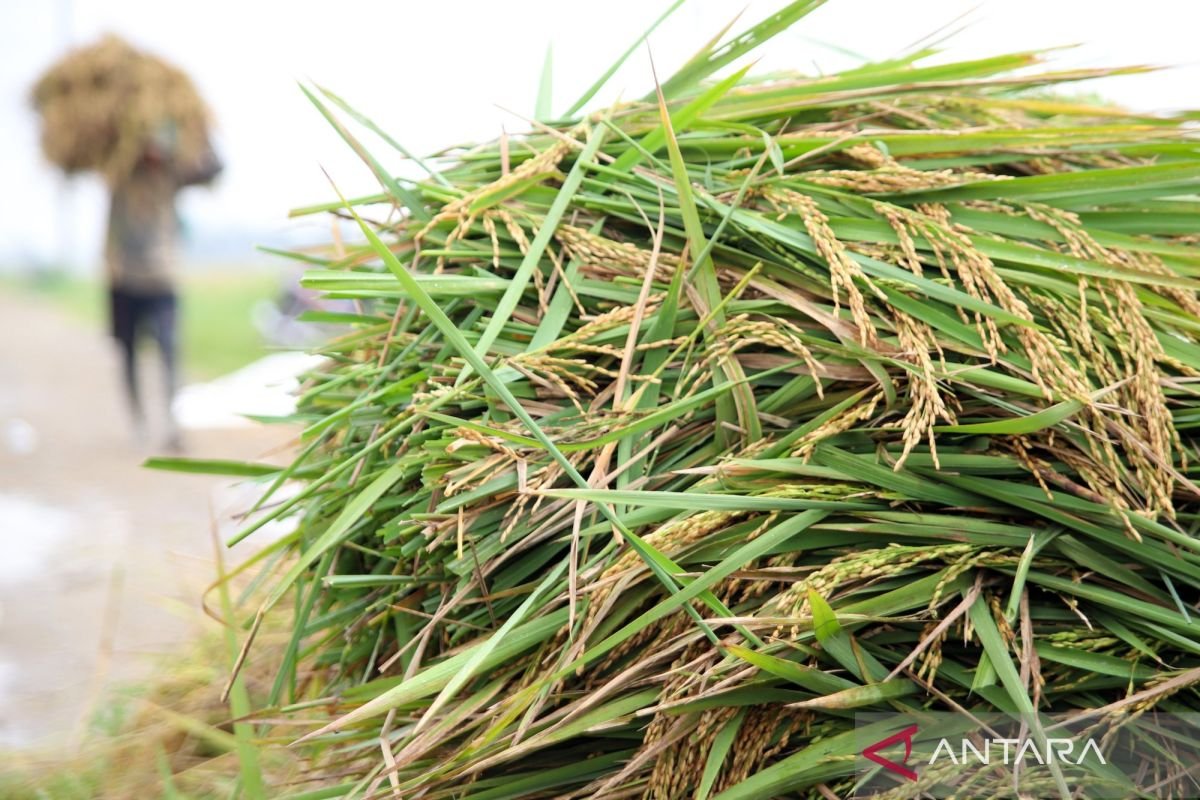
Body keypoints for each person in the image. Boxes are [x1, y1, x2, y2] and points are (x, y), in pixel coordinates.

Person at [105, 122, 221, 450]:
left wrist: (201, 131)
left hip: (162, 279)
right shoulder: (119, 170)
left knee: (170, 349)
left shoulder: (172, 174)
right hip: (123, 277)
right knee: (127, 351)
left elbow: (213, 168)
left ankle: (172, 425)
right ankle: (138, 423)